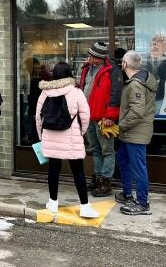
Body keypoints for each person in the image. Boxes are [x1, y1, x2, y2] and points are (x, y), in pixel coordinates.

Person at [35, 62, 98, 218]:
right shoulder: (76, 92)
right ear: (70, 74)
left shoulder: (45, 92)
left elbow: (38, 118)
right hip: (71, 137)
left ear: (54, 74)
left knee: (53, 171)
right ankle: (84, 206)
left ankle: (53, 203)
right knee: (78, 172)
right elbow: (85, 116)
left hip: (50, 136)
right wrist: (81, 133)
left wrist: (41, 137)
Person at [114, 50, 157, 216]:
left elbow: (137, 111)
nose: (121, 64)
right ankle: (127, 194)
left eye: (122, 61)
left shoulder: (136, 84)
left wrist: (121, 126)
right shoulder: (138, 80)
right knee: (124, 161)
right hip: (130, 132)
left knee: (138, 168)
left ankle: (142, 203)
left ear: (125, 64)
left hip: (135, 132)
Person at [79, 41, 123, 197]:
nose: (88, 57)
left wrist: (111, 116)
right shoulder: (86, 68)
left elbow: (116, 95)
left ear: (97, 57)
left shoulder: (112, 71)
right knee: (95, 149)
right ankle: (98, 179)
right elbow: (82, 88)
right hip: (89, 116)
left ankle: (106, 181)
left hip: (104, 118)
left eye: (91, 55)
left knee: (107, 151)